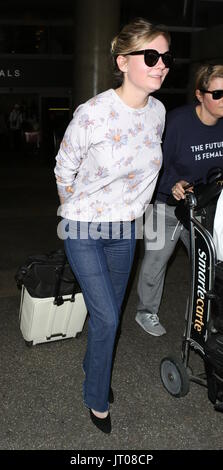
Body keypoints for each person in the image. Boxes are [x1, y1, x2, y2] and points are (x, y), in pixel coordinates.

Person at [54, 17, 171, 433]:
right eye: (152, 56)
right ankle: (95, 396)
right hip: (84, 228)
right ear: (123, 62)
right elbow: (63, 168)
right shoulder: (94, 114)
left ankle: (95, 369)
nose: (162, 65)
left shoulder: (157, 112)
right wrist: (78, 211)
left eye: (165, 57)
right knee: (106, 319)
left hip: (127, 230)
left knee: (111, 314)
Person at [135, 63, 223, 337]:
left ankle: (199, 319)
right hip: (166, 206)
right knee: (156, 261)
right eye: (217, 94)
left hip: (204, 208)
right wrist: (172, 185)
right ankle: (145, 312)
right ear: (200, 95)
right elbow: (150, 168)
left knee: (210, 264)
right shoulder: (176, 123)